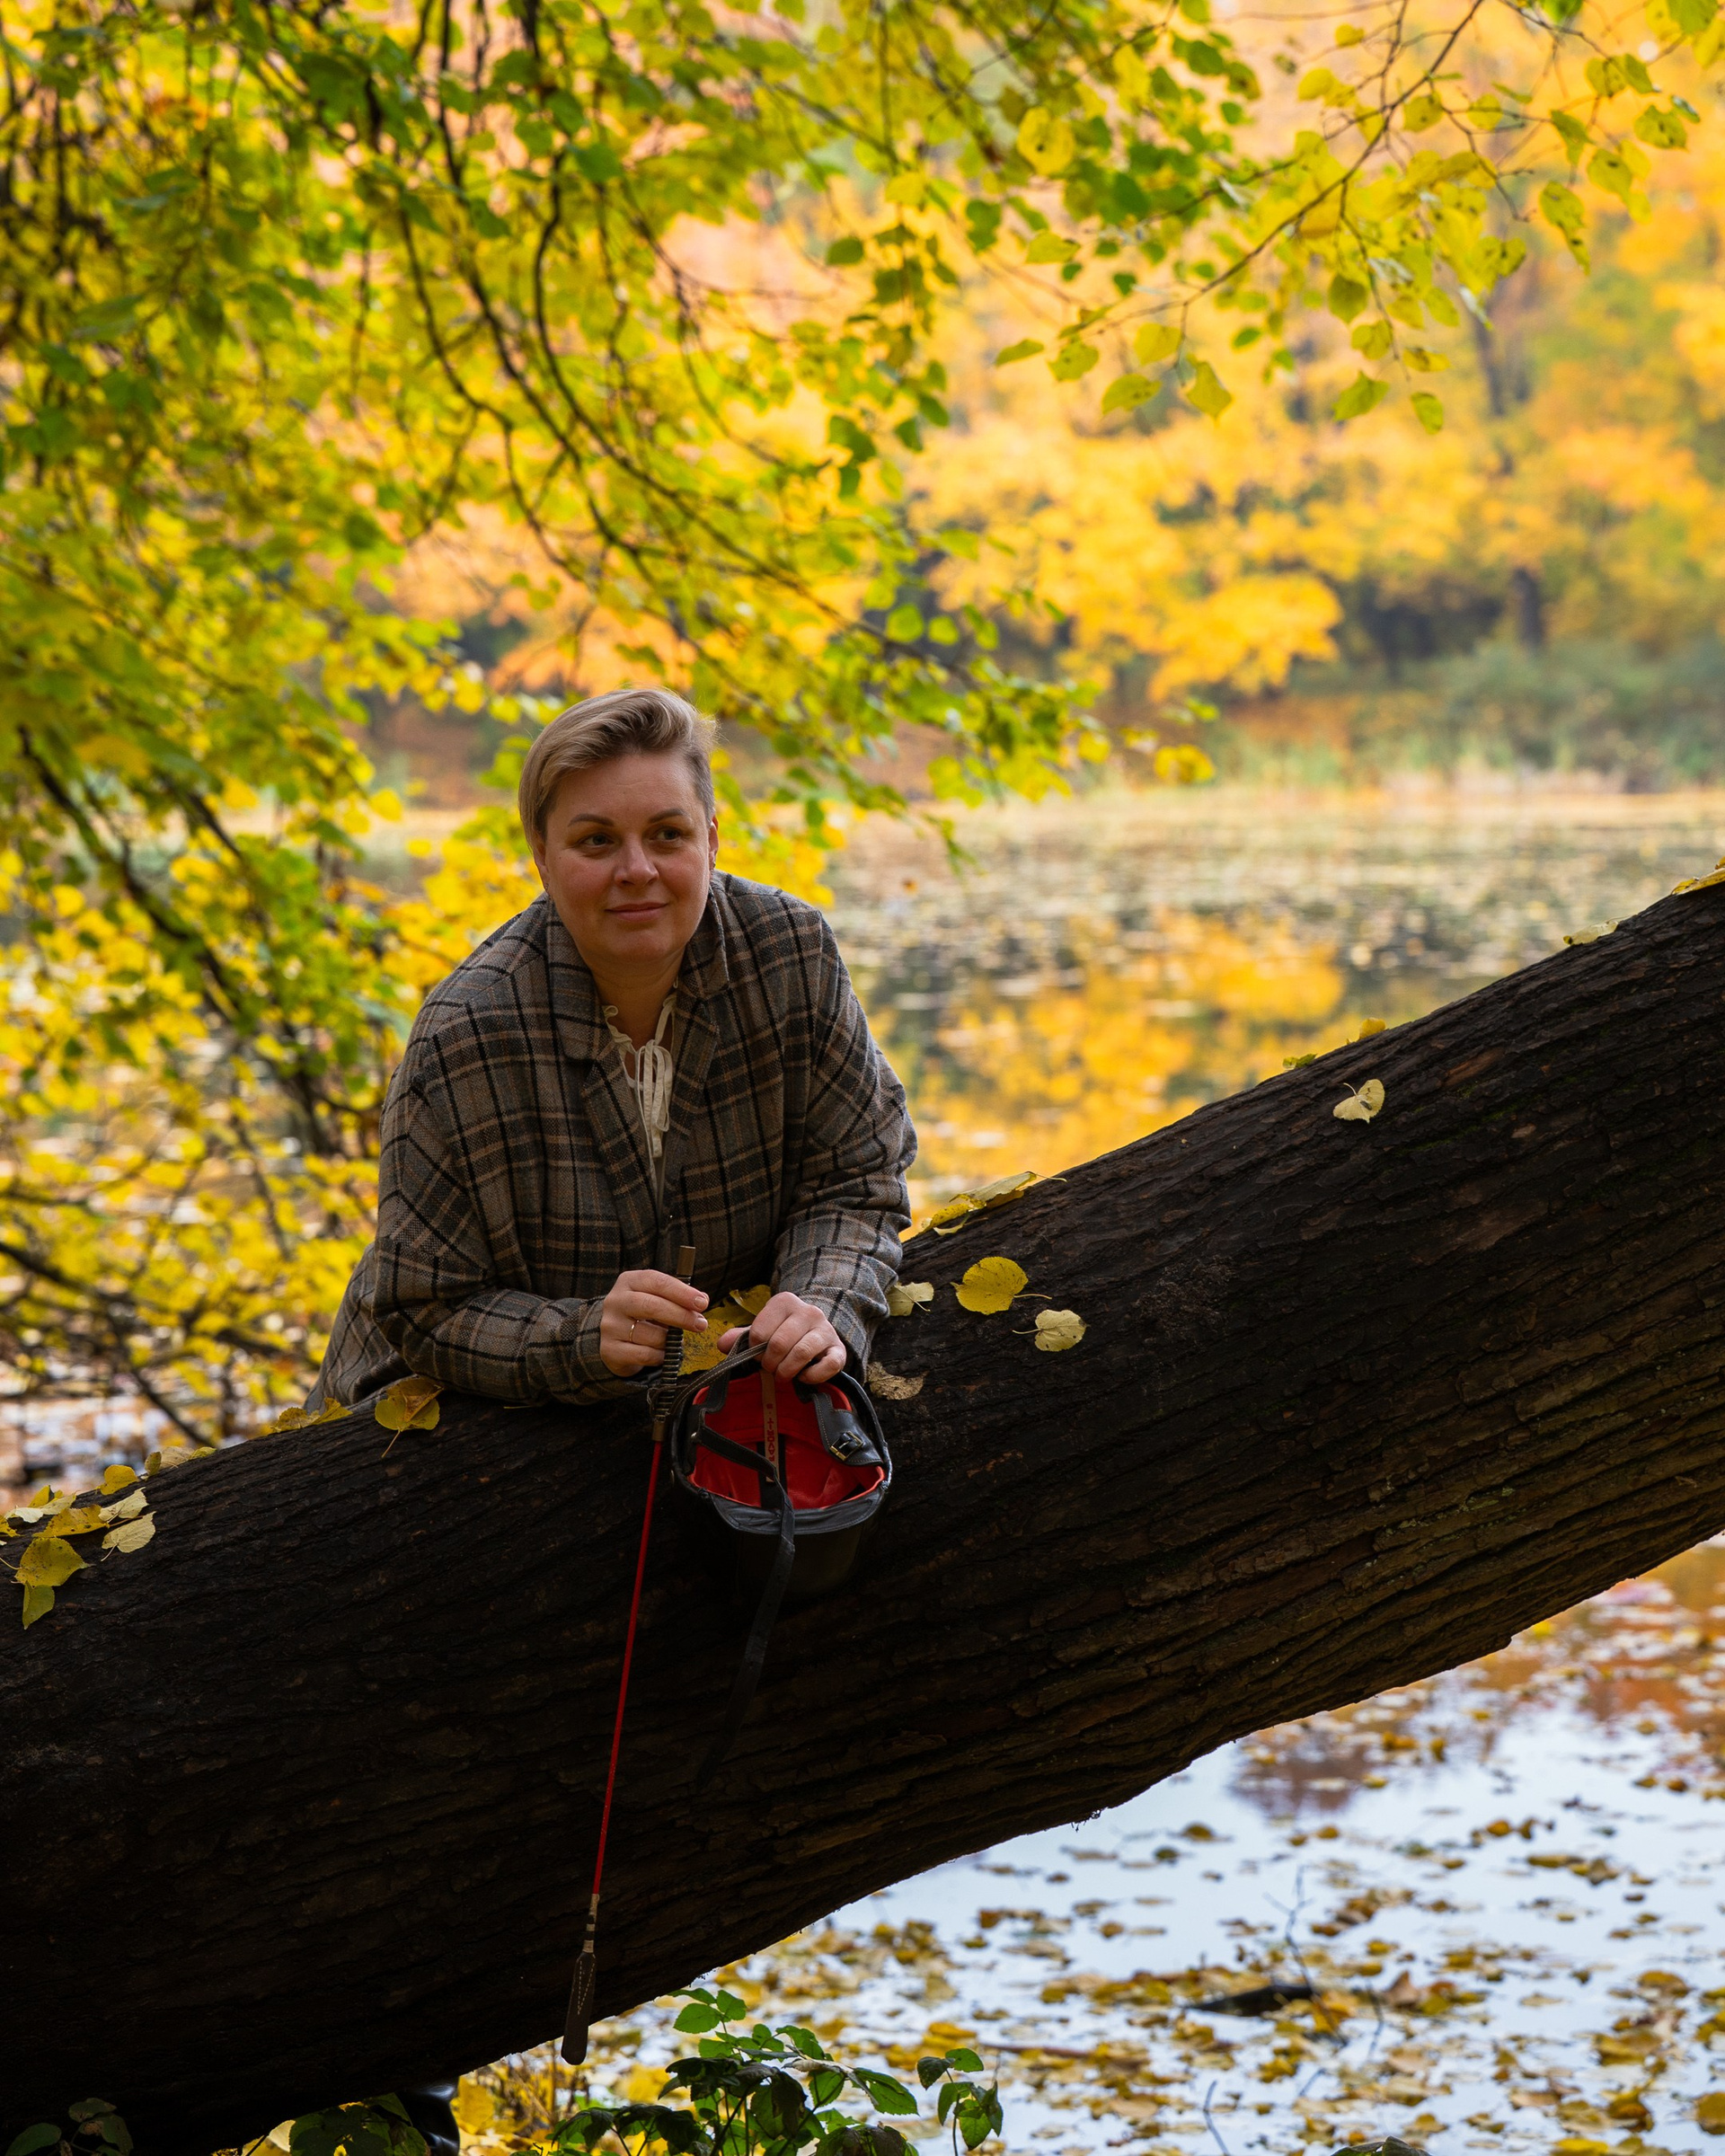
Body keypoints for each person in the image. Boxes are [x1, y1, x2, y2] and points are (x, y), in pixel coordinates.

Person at [311, 685, 915, 1412]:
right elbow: (421, 1306)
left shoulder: (791, 955)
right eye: (597, 840)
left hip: (709, 1399)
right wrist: (578, 1337)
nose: (637, 869)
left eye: (667, 834)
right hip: (418, 1426)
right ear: (543, 857)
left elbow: (857, 1178)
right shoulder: (466, 1035)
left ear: (711, 840)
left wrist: (820, 1302)